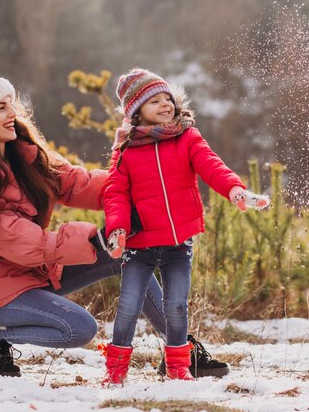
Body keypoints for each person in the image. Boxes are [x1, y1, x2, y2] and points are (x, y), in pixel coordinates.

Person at [0, 77, 230, 379]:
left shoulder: (24, 155)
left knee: (124, 252)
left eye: (11, 105)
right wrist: (96, 240)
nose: (13, 113)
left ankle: (180, 348)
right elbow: (24, 243)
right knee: (78, 328)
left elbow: (75, 182)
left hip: (36, 270)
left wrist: (134, 183)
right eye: (1, 108)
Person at [100, 68, 269, 383]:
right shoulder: (125, 149)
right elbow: (115, 194)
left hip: (178, 243)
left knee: (176, 306)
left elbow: (211, 165)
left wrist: (235, 190)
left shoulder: (187, 136)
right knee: (128, 308)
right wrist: (118, 229)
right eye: (154, 101)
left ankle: (179, 367)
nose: (165, 104)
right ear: (136, 113)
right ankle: (115, 372)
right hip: (140, 246)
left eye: (167, 98)